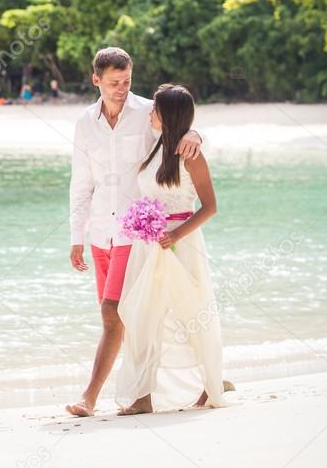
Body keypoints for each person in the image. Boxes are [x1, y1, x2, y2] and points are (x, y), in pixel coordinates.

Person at [65, 47, 202, 417]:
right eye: (113, 83)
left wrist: (195, 133)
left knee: (115, 314)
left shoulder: (146, 112)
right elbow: (80, 184)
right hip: (99, 235)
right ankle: (203, 379)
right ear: (96, 80)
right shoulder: (83, 123)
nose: (122, 88)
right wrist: (77, 236)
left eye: (126, 81)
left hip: (135, 234)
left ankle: (89, 397)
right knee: (126, 315)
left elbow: (177, 127)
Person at [114, 83, 227, 414]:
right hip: (150, 245)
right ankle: (143, 395)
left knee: (191, 314)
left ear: (167, 114)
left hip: (181, 242)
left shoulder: (190, 155)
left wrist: (176, 236)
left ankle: (210, 385)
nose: (150, 113)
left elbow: (210, 207)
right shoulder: (156, 146)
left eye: (155, 109)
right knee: (142, 316)